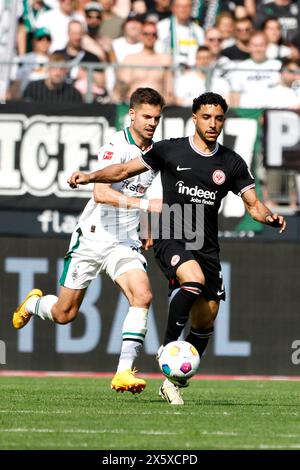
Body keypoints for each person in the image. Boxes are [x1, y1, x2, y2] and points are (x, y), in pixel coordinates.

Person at [68, 92, 287, 405]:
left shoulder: (231, 163)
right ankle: (167, 348)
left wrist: (269, 217)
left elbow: (253, 206)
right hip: (171, 234)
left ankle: (172, 382)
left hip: (206, 244)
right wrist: (90, 176)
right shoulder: (169, 150)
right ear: (194, 118)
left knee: (206, 320)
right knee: (193, 280)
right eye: (207, 117)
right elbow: (122, 171)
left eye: (219, 118)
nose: (213, 124)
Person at [12, 87, 165, 394]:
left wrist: (146, 226)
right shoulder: (115, 146)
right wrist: (143, 207)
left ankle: (124, 372)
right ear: (132, 114)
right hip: (93, 238)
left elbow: (148, 193)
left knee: (143, 295)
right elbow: (101, 192)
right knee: (65, 314)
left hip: (124, 241)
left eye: (157, 118)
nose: (151, 123)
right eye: (146, 116)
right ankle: (36, 303)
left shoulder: (157, 154)